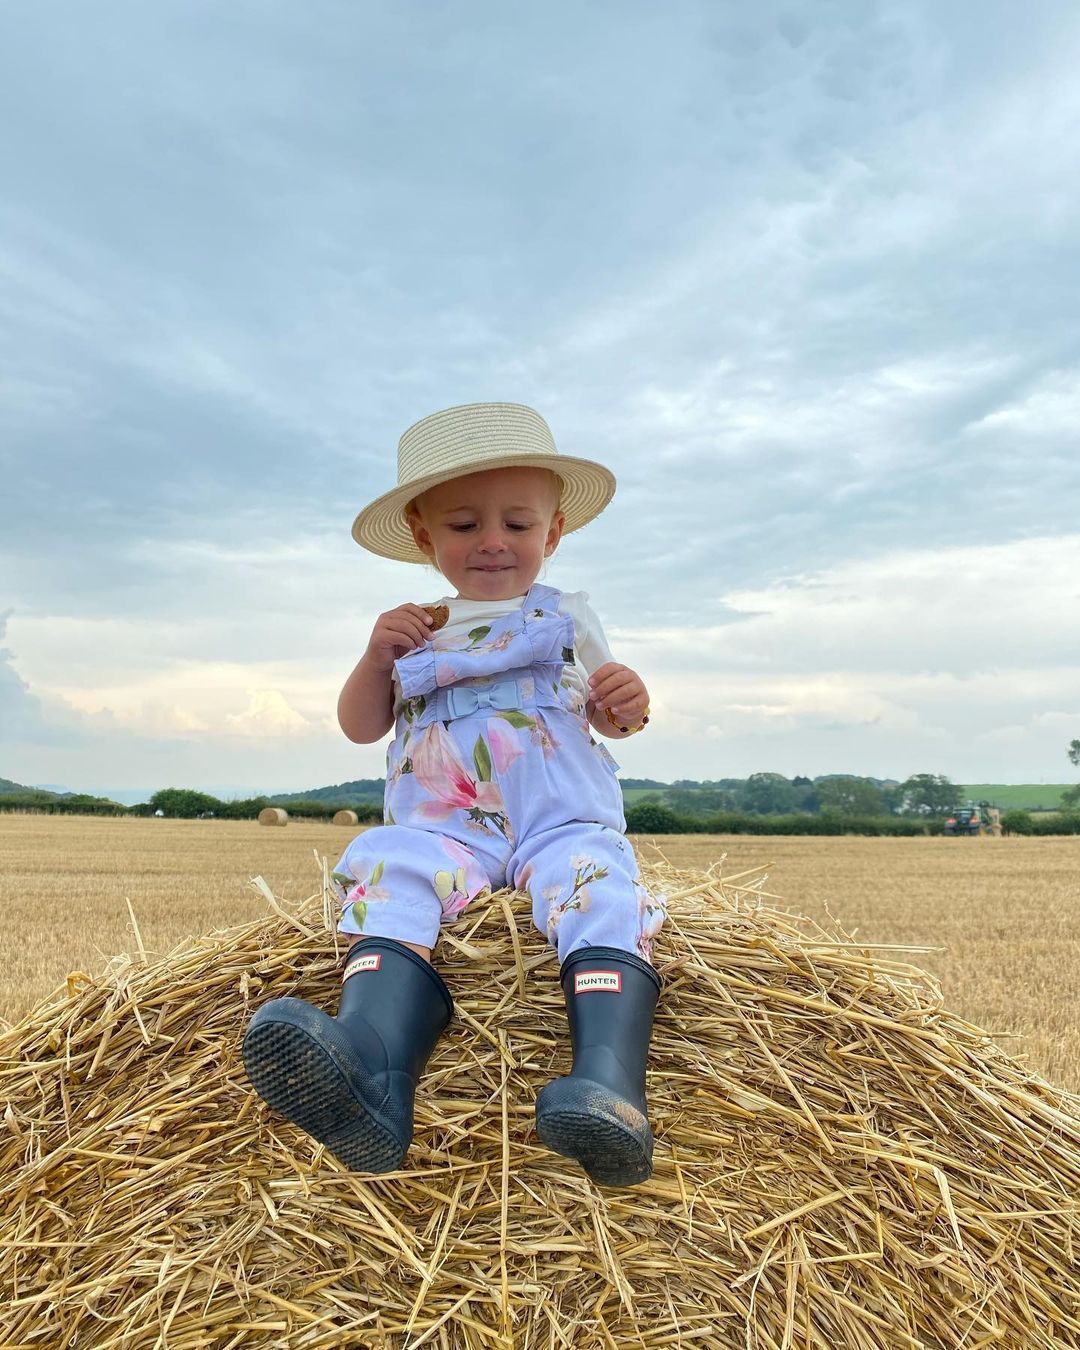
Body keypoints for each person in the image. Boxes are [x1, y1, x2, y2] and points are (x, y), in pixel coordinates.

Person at [243, 402, 666, 1187]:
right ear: (422, 534)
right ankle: (372, 1064)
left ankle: (609, 1085)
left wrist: (626, 702)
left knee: (600, 885)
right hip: (447, 829)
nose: (494, 543)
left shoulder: (566, 616)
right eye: (466, 525)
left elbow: (617, 713)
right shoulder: (412, 630)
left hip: (558, 821)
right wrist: (375, 659)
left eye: (517, 523)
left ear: (555, 532)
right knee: (385, 862)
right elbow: (360, 725)